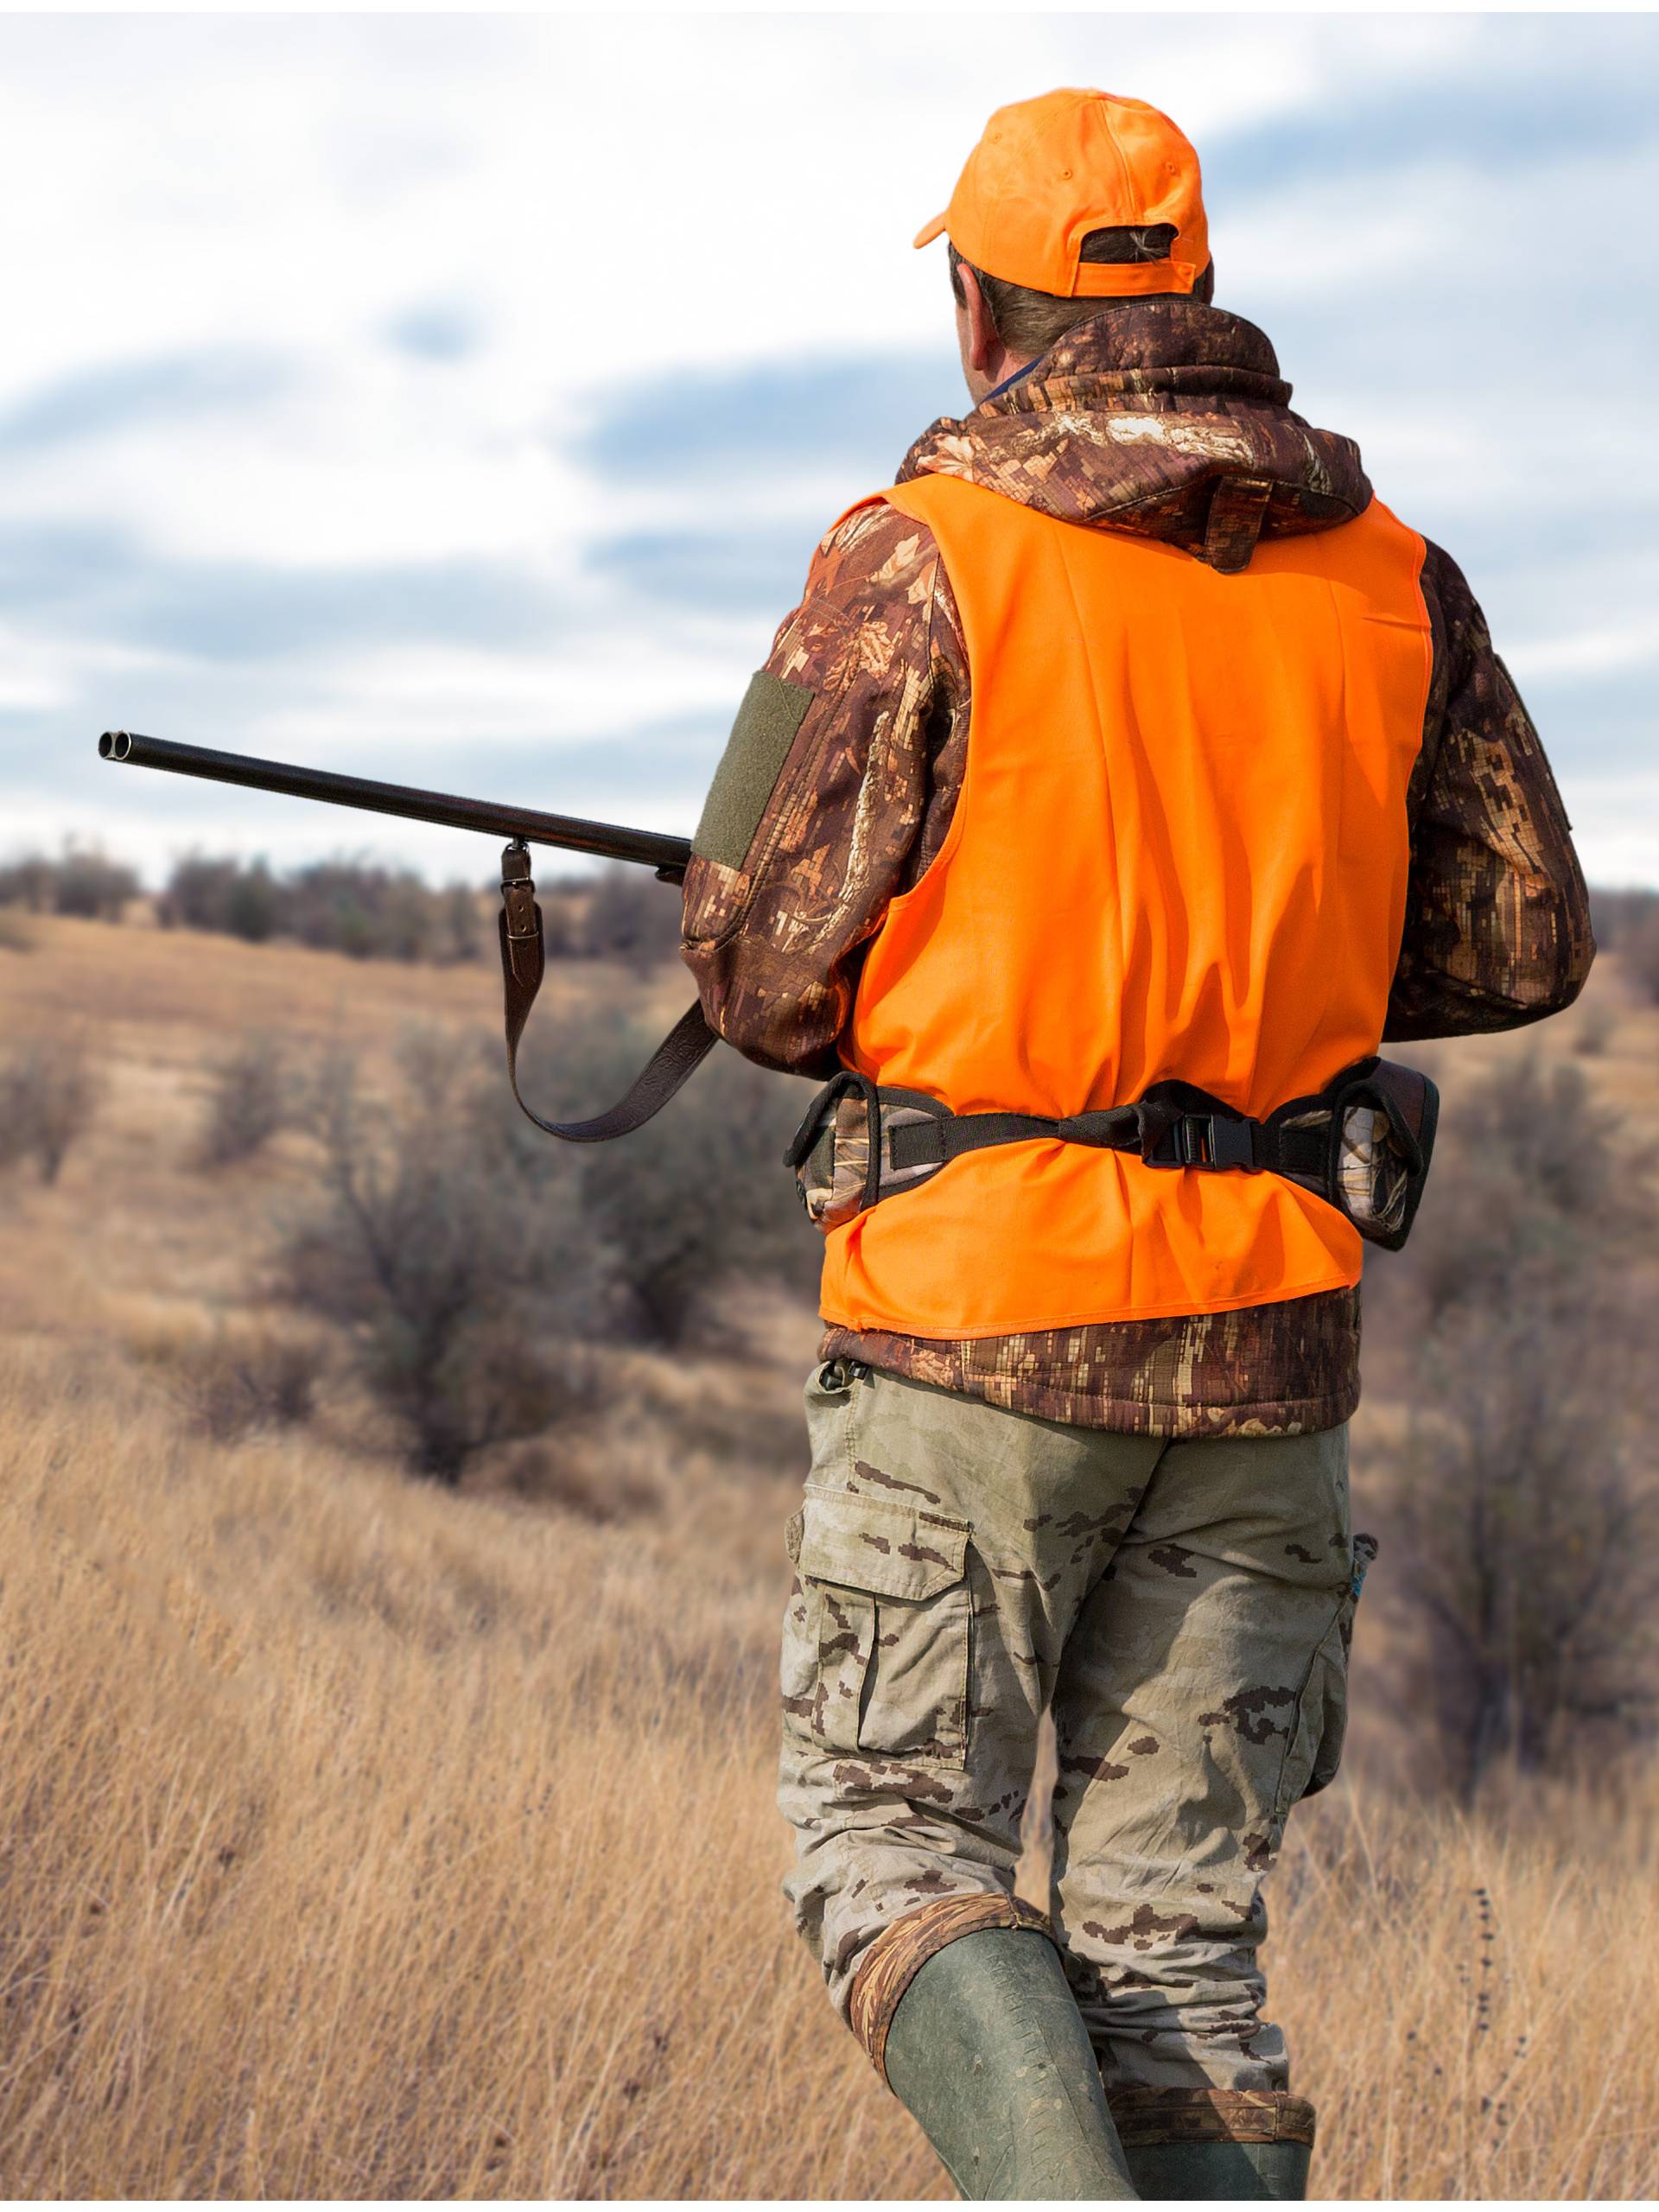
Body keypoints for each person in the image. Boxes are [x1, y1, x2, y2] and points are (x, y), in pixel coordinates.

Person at [679, 87, 1592, 2201]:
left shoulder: (927, 554)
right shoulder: (1394, 573)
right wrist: (1257, 965)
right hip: (1271, 1344)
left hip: (972, 1331)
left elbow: (755, 966)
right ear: (1192, 287)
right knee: (1180, 1954)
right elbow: (1525, 929)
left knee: (892, 1839)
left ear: (977, 312)